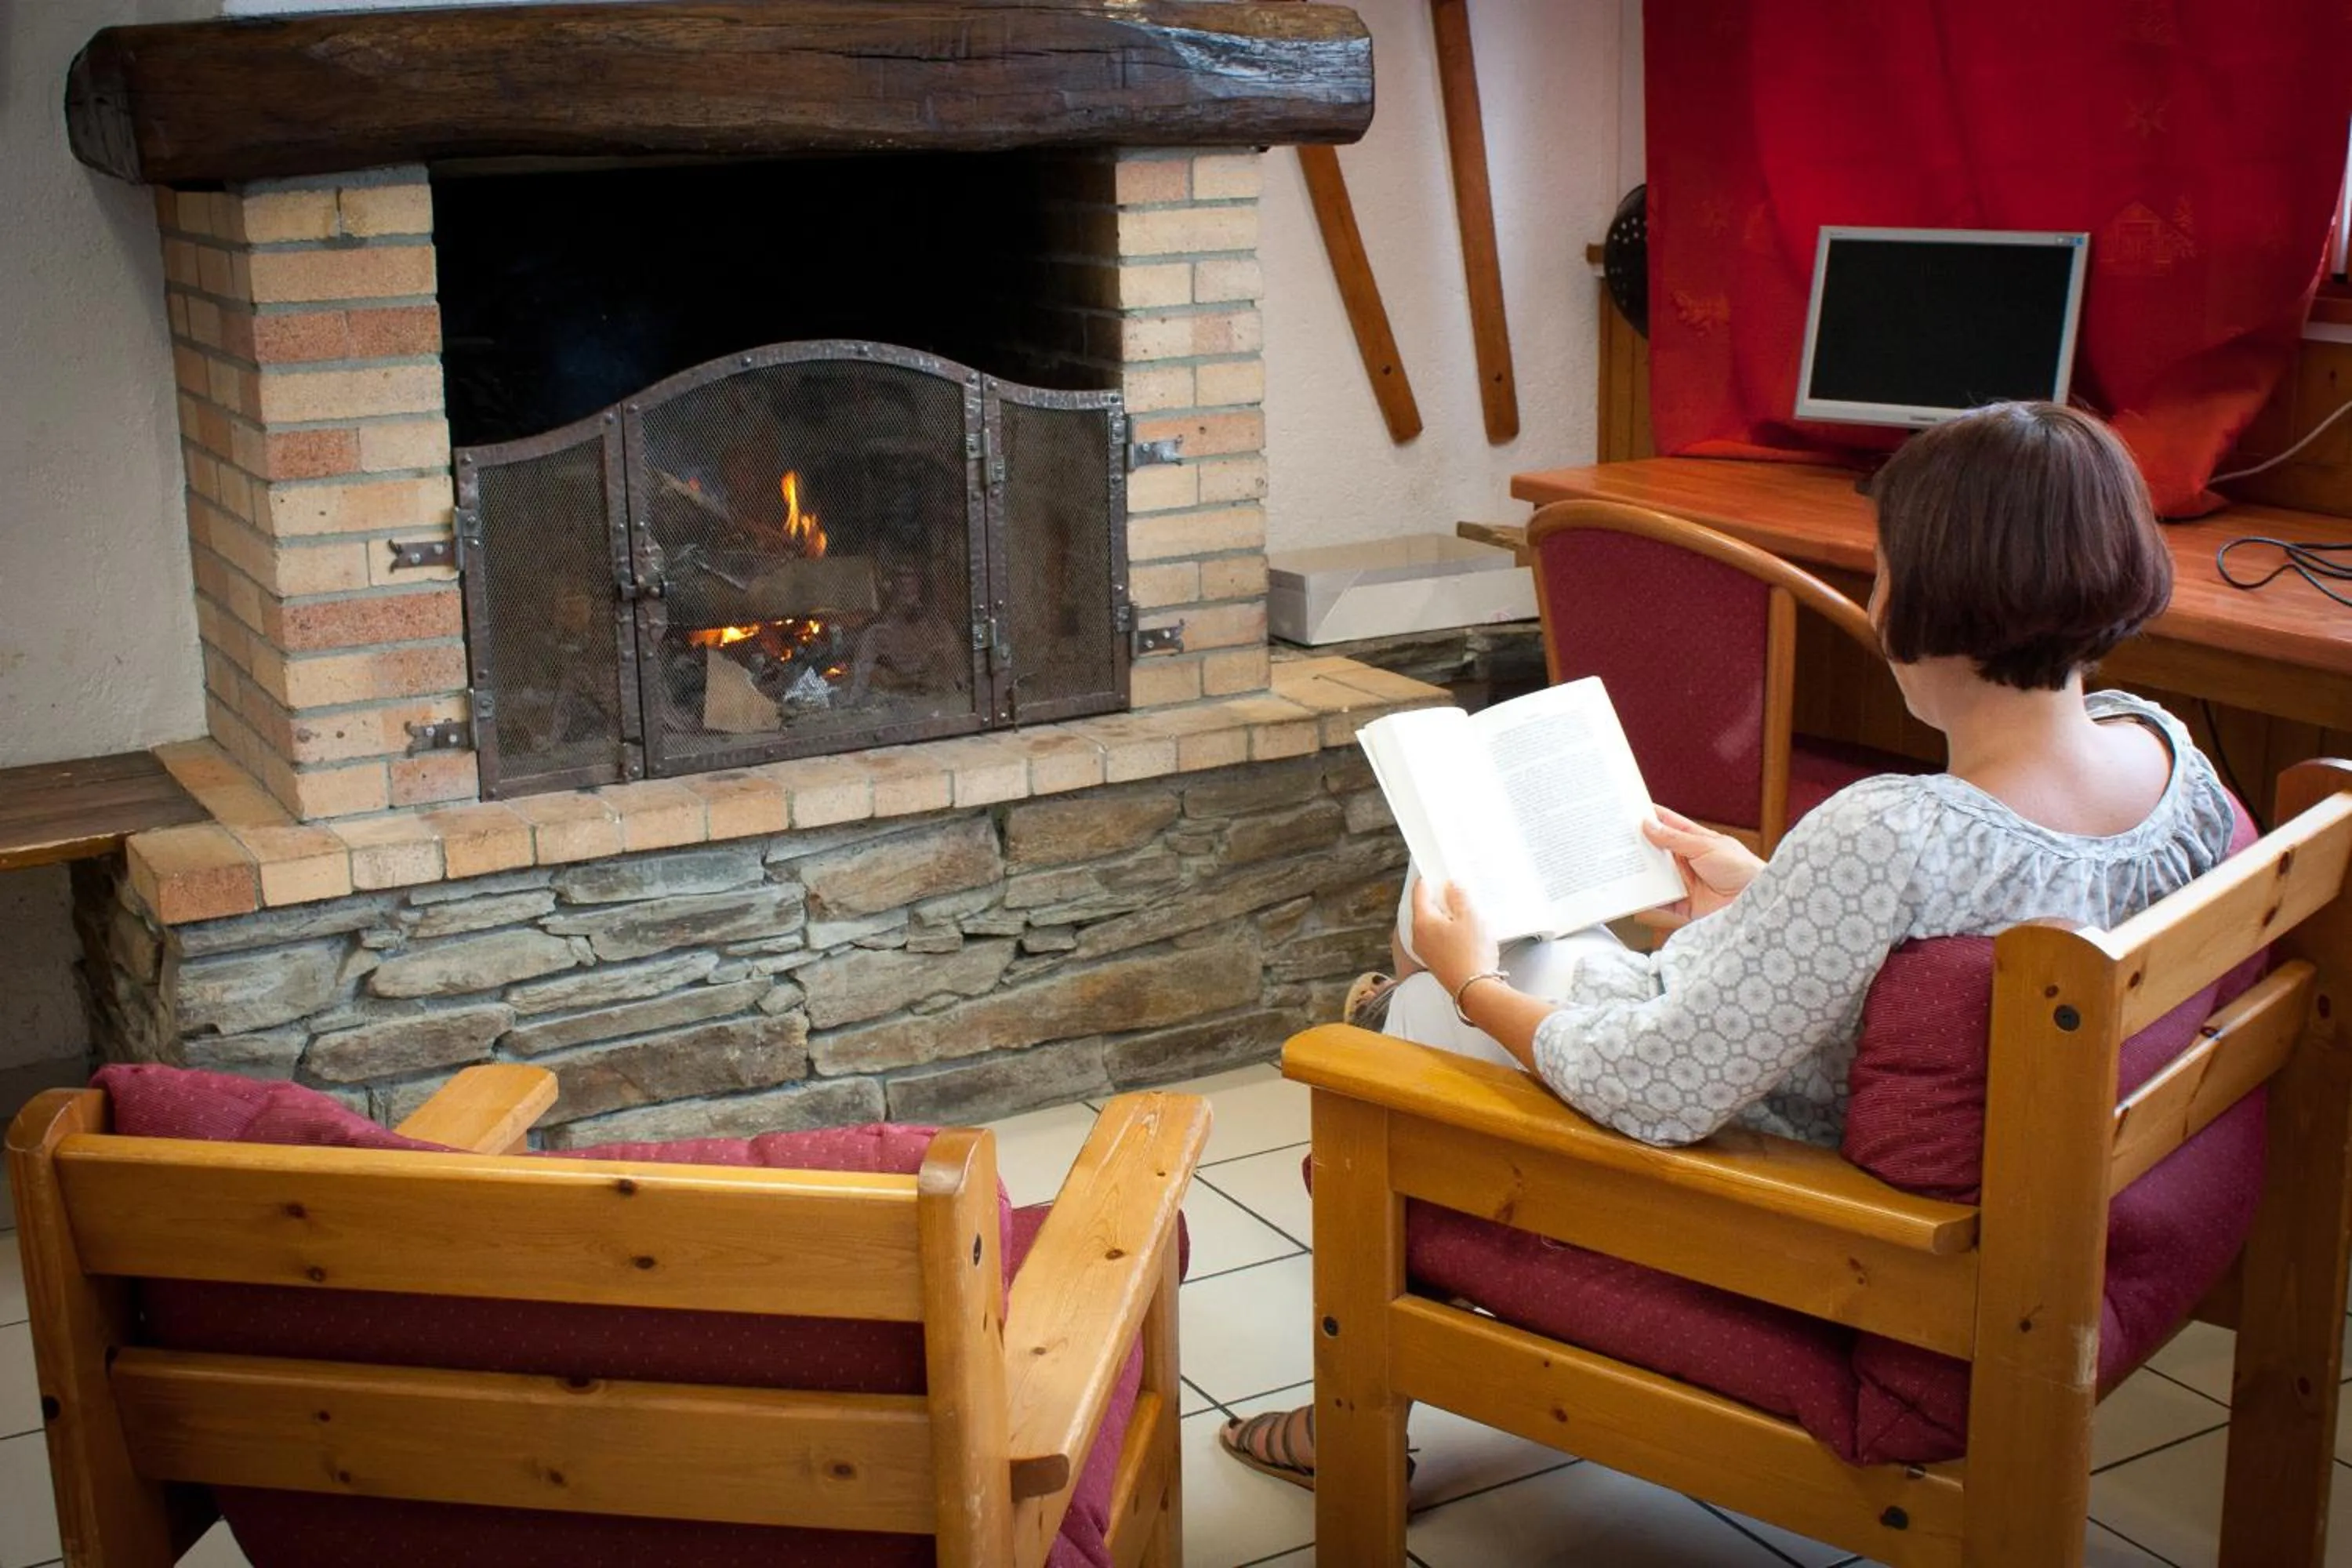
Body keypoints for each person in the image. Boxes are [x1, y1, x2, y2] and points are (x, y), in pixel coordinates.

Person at [1219, 400, 2241, 1487]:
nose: (1875, 596)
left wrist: (1471, 983)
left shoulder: (1890, 830)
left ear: (1941, 598)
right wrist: (1770, 896)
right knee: (1449, 948)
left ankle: (1355, 1389)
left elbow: (1658, 1091)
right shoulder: (2165, 760)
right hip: (2020, 1173)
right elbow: (1941, 954)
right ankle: (1401, 1008)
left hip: (1813, 1194)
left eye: (1885, 571)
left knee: (1423, 994)